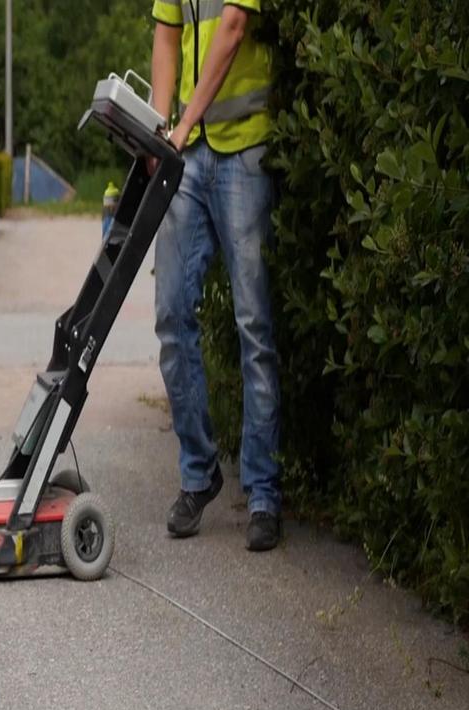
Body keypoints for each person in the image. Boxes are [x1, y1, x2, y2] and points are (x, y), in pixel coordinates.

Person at [147, 0, 282, 550]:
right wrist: (160, 130)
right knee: (171, 315)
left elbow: (232, 27)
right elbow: (165, 34)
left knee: (254, 327)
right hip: (187, 153)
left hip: (243, 149)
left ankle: (264, 494)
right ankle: (199, 473)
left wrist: (181, 125)